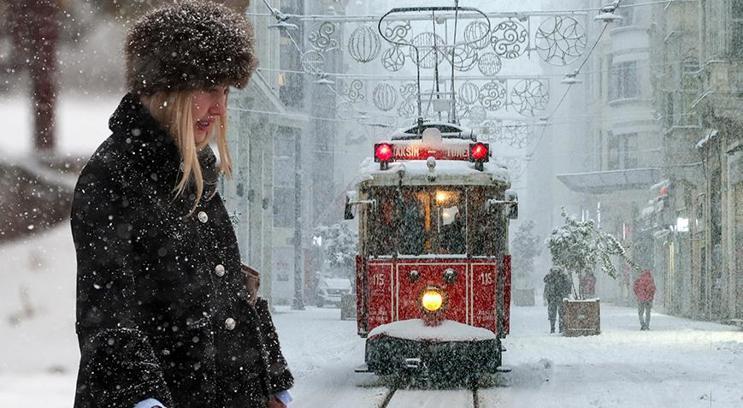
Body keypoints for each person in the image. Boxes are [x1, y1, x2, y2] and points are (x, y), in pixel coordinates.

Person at [70, 2, 293, 407]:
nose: (220, 108)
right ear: (166, 86)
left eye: (225, 91)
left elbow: (229, 289)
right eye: (208, 88)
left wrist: (270, 380)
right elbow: (106, 310)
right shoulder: (113, 176)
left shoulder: (195, 173)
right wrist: (141, 399)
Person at [544, 266, 572, 333]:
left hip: (556, 297)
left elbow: (568, 285)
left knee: (557, 313)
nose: (555, 272)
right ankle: (555, 328)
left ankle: (556, 328)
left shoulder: (560, 277)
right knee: (556, 314)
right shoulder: (552, 277)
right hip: (556, 297)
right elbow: (546, 287)